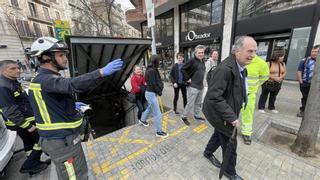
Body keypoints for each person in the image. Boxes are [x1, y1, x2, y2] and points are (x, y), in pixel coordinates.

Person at [27, 37, 123, 179]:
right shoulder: (46, 79)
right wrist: (100, 72)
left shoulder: (43, 78)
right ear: (46, 57)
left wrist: (72, 105)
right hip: (61, 142)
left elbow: (52, 102)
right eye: (61, 55)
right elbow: (71, 85)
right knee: (75, 176)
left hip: (61, 140)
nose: (65, 58)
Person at [203, 36, 257, 180]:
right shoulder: (224, 69)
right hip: (221, 115)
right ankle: (229, 172)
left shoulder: (240, 66)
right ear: (237, 51)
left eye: (255, 51)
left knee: (219, 134)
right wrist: (232, 117)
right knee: (230, 145)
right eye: (249, 51)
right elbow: (214, 96)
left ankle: (207, 152)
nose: (253, 55)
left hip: (228, 111)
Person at [0, 60, 49, 174]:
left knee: (29, 144)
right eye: (12, 69)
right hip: (23, 123)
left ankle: (33, 164)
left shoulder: (12, 82)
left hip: (25, 122)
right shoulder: (3, 86)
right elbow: (10, 111)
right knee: (42, 140)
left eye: (18, 68)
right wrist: (28, 126)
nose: (18, 70)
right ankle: (29, 165)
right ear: (2, 71)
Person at [240, 55, 269, 145]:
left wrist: (255, 85)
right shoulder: (239, 59)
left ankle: (246, 133)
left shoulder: (261, 63)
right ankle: (229, 129)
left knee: (248, 114)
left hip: (249, 94)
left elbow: (265, 77)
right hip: (236, 93)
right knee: (232, 112)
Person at [139, 55, 168, 138]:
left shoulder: (151, 69)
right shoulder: (151, 70)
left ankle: (142, 120)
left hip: (150, 93)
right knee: (158, 113)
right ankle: (159, 132)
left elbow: (155, 82)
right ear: (155, 61)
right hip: (151, 93)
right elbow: (153, 84)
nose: (160, 62)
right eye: (159, 61)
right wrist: (159, 92)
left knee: (150, 108)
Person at [180, 45, 206, 125]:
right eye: (199, 53)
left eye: (202, 52)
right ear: (195, 53)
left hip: (201, 86)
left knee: (198, 103)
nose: (201, 54)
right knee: (190, 103)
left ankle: (197, 115)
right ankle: (184, 116)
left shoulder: (202, 61)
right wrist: (187, 78)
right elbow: (183, 69)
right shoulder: (192, 60)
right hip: (193, 86)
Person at [296, 44, 320, 117]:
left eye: (316, 52)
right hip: (305, 84)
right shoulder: (304, 60)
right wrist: (301, 82)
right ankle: (303, 111)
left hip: (316, 85)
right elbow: (299, 71)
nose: (313, 53)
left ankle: (313, 112)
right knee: (305, 98)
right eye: (312, 51)